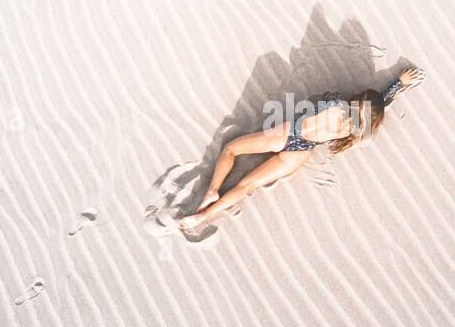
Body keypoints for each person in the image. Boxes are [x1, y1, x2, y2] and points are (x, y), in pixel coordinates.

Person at [179, 67, 425, 231]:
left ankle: (212, 190)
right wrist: (396, 86)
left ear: (359, 99)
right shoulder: (357, 132)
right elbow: (376, 106)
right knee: (247, 185)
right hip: (300, 151)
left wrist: (389, 86)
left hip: (287, 133)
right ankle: (202, 218)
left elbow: (360, 101)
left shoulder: (337, 102)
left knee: (231, 150)